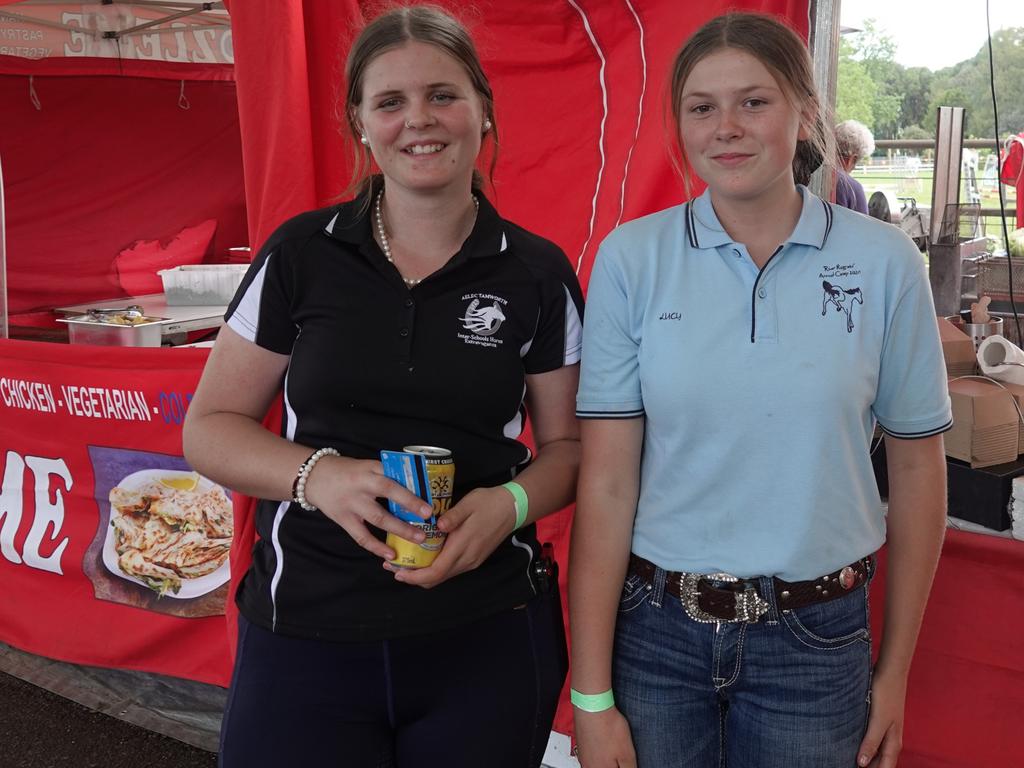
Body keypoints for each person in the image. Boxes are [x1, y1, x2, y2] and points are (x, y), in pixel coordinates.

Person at [182, 6, 583, 767]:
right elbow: (210, 427)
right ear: (360, 124)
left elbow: (569, 448)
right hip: (306, 631)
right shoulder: (302, 254)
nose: (419, 121)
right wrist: (316, 476)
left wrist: (508, 505)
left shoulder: (535, 272)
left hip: (486, 634)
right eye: (390, 102)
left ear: (483, 109)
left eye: (443, 95)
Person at [569, 12, 950, 768]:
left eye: (754, 101)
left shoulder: (884, 263)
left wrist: (895, 673)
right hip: (655, 635)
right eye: (701, 107)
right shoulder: (631, 260)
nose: (727, 128)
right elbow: (606, 485)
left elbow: (917, 472)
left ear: (805, 113)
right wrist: (591, 697)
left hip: (815, 641)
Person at [835, 118, 875, 214]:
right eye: (857, 162)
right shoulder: (852, 188)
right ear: (852, 159)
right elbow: (863, 227)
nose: (854, 167)